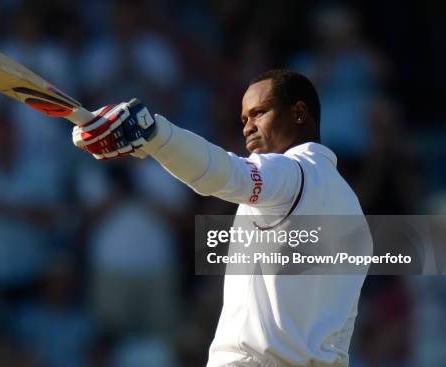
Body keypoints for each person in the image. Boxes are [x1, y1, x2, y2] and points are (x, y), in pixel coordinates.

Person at [71, 69, 370, 366]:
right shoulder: (353, 212)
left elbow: (225, 173)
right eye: (243, 120)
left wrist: (152, 133)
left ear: (299, 113)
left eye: (259, 113)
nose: (247, 128)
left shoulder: (292, 173)